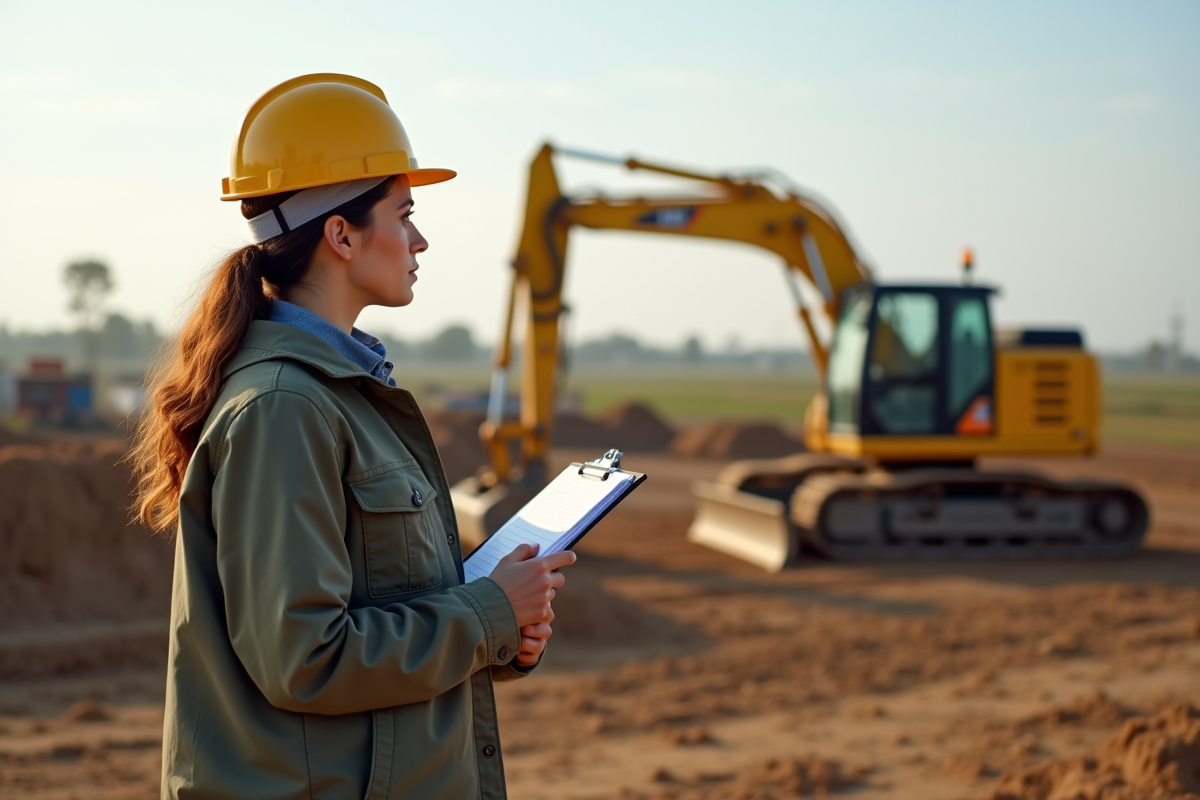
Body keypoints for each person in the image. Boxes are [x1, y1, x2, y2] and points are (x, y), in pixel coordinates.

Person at [130, 73, 574, 800]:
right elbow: (306, 658)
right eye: (403, 213)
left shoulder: (345, 396)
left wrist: (502, 626)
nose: (420, 238)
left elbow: (384, 604)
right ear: (341, 234)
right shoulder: (284, 410)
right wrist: (487, 609)